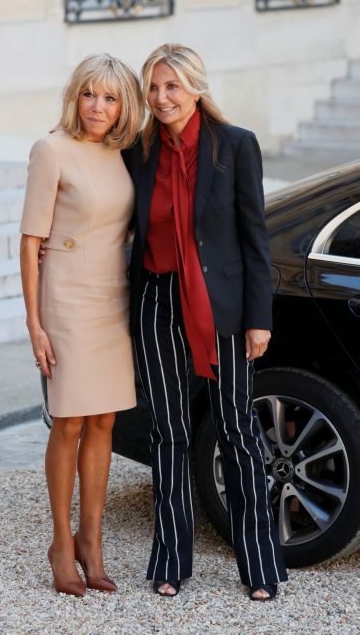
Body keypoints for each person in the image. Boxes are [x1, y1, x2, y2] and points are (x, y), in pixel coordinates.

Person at [125, 43, 288, 600]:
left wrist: (259, 318)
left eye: (171, 86)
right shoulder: (140, 151)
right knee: (167, 431)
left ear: (196, 88)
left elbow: (254, 238)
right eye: (153, 87)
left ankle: (260, 565)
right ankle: (171, 560)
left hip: (223, 308)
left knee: (237, 429)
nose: (161, 97)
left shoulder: (235, 145)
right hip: (156, 302)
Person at [20, 54, 143, 597]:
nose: (98, 106)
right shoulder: (51, 149)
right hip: (65, 298)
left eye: (110, 98)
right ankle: (59, 542)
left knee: (104, 419)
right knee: (69, 420)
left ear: (123, 106)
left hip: (113, 294)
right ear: (75, 95)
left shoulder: (123, 152)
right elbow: (30, 241)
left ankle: (91, 539)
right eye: (90, 94)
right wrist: (35, 324)